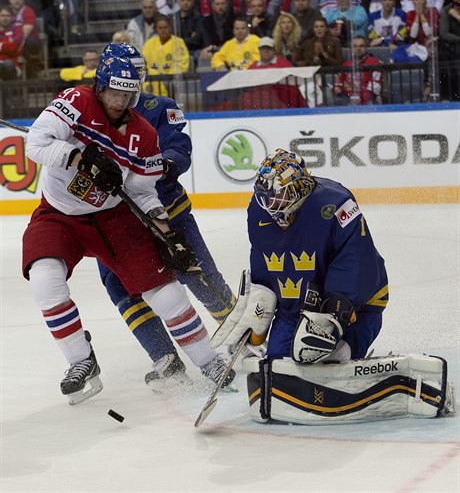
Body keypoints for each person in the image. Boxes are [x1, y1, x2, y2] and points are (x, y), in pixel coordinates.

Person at [22, 54, 235, 405]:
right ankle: (81, 361)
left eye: (127, 93)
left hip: (114, 217)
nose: (120, 101)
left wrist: (164, 230)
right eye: (114, 93)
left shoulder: (144, 133)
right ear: (100, 87)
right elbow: (36, 144)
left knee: (166, 291)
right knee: (45, 279)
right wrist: (81, 158)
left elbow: (142, 191)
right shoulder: (75, 101)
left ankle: (209, 361)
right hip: (59, 214)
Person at [96, 42, 236, 383]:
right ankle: (164, 357)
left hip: (167, 213)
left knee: (198, 273)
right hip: (115, 223)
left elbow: (179, 149)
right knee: (123, 288)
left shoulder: (159, 108)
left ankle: (241, 334)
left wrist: (162, 164)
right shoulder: (87, 116)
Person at [212, 147, 388, 367]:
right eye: (266, 196)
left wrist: (335, 311)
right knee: (277, 365)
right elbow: (262, 256)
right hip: (294, 309)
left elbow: (355, 260)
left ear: (299, 189)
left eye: (278, 195)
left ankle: (350, 349)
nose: (270, 203)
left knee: (331, 358)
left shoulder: (336, 203)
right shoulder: (258, 210)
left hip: (355, 306)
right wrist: (261, 297)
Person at [142, 15, 190, 95]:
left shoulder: (178, 42)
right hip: (153, 79)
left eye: (165, 27)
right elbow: (144, 63)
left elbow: (183, 63)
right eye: (160, 28)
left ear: (170, 28)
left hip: (172, 80)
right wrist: (154, 74)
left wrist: (168, 76)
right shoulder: (149, 43)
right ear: (156, 29)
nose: (163, 30)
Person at [333, 35, 382, 105]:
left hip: (370, 100)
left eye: (361, 46)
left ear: (366, 48)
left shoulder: (374, 63)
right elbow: (340, 81)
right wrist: (338, 87)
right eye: (355, 46)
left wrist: (360, 99)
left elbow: (375, 86)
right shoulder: (346, 64)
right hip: (350, 99)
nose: (358, 48)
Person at [0, 4, 24, 79]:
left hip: (12, 63)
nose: (5, 18)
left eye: (8, 16)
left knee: (8, 64)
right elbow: (10, 47)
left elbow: (13, 49)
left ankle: (10, 90)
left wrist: (1, 46)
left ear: (12, 17)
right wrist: (7, 43)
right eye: (2, 16)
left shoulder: (17, 30)